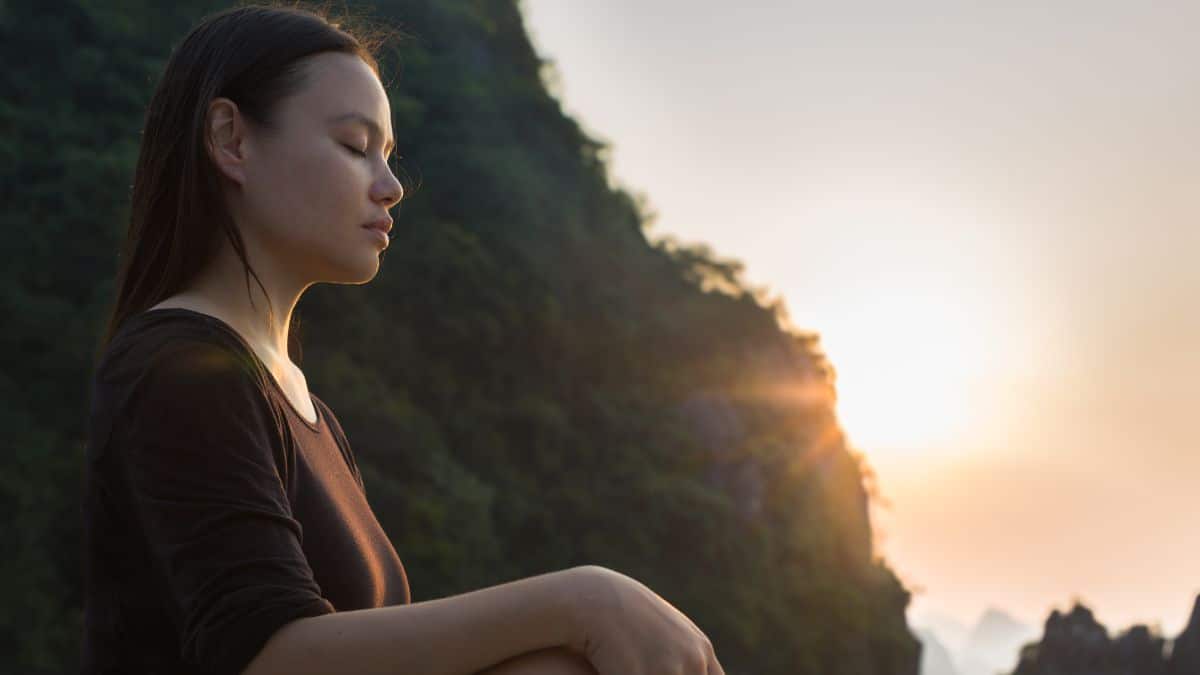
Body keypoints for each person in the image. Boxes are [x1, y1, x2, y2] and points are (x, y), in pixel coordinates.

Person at [80, 4, 725, 675]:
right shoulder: (177, 369)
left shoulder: (306, 409)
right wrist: (580, 600)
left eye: (387, 157)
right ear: (231, 139)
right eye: (355, 147)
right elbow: (267, 655)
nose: (390, 188)